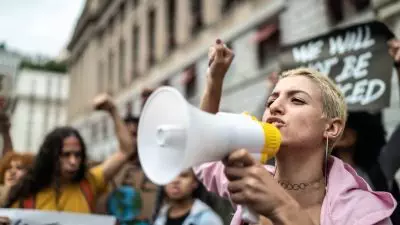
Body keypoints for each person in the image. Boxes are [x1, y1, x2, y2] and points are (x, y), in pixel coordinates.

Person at [194, 39, 396, 224]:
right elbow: (204, 152)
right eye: (270, 101)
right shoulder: (253, 179)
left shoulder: (363, 211)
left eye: (297, 100)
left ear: (332, 128)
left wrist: (281, 206)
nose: (274, 107)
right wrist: (214, 80)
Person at [3, 93, 134, 213]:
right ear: (50, 156)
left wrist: (113, 110)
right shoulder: (26, 194)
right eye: (66, 155)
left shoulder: (90, 183)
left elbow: (126, 151)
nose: (73, 162)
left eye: (78, 155)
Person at [152, 169, 223, 225]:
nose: (175, 180)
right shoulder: (160, 216)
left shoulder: (208, 219)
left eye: (183, 175)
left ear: (195, 182)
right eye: (170, 175)